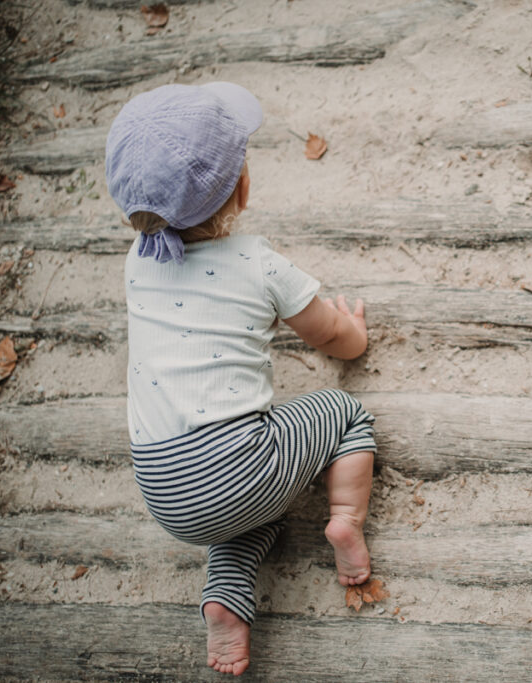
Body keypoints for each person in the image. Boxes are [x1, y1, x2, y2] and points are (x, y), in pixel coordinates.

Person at [106, 82, 376, 676]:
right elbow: (330, 337)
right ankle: (345, 521)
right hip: (243, 466)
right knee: (346, 413)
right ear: (244, 189)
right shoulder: (256, 261)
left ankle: (225, 603)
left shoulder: (135, 264)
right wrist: (354, 332)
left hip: (169, 496)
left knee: (244, 518)